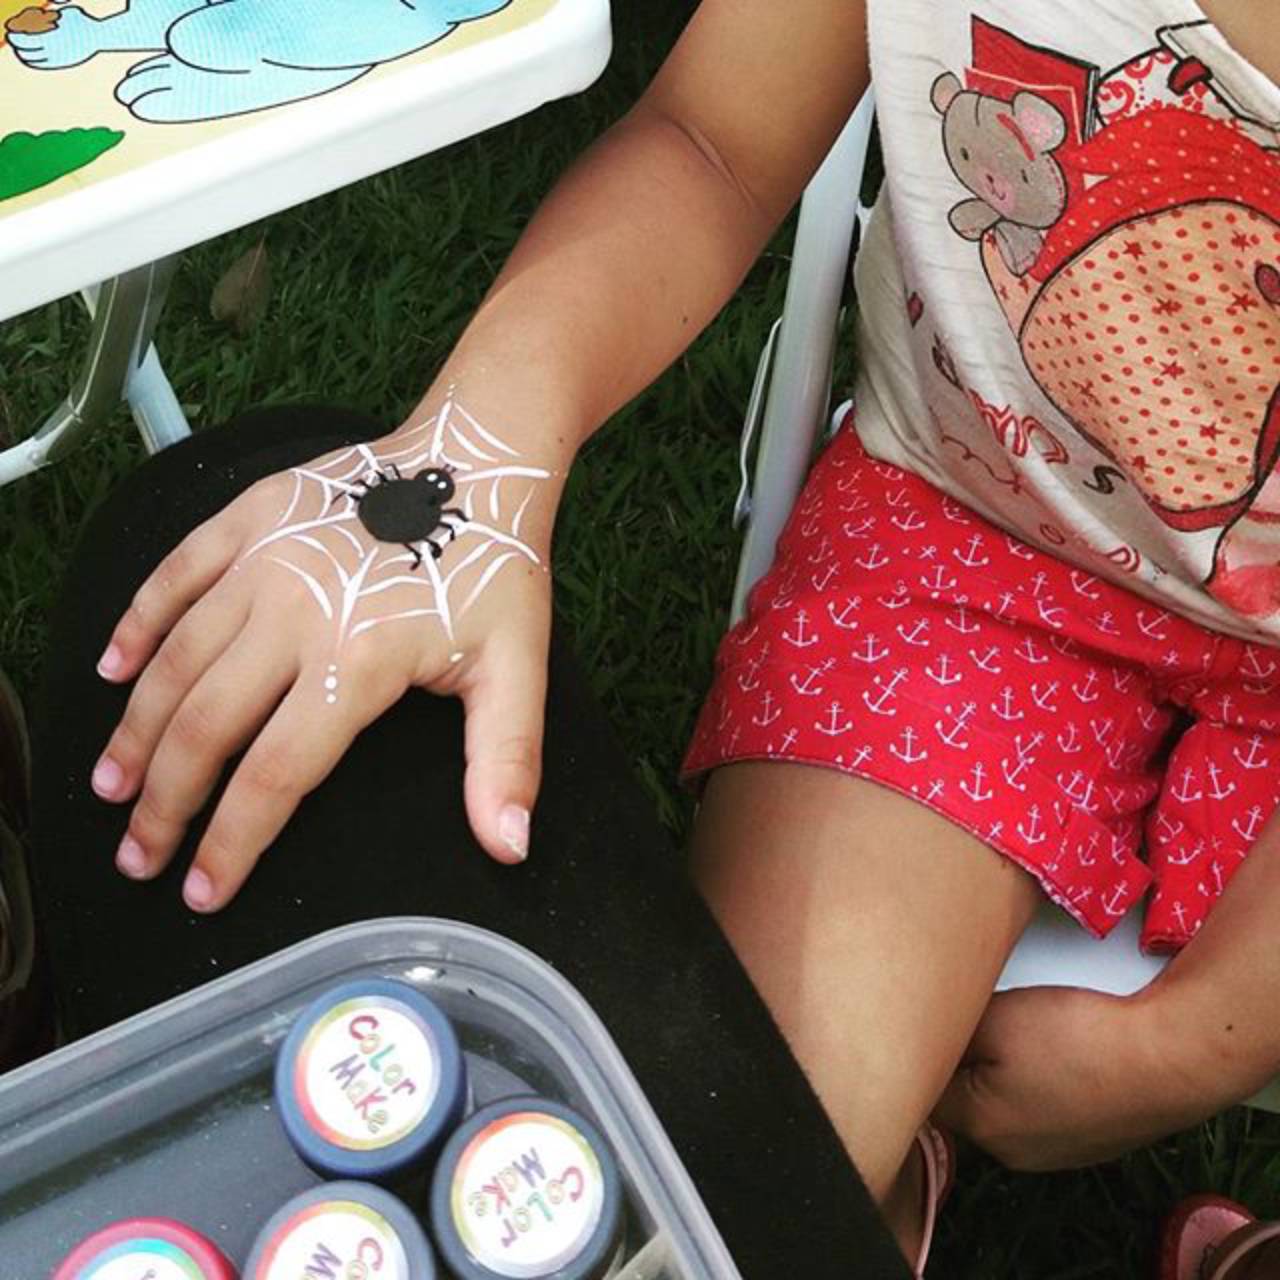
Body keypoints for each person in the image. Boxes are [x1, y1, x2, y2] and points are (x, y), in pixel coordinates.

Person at [70, 0, 1280, 1273]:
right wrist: (475, 449)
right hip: (972, 533)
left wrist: (1192, 1043)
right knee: (715, 1182)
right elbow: (713, 137)